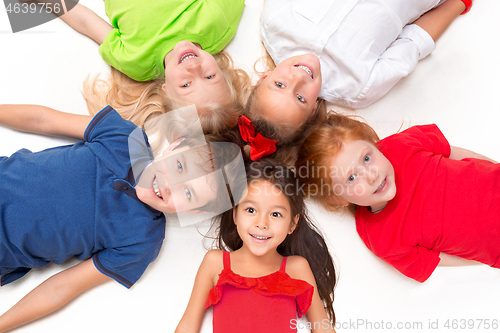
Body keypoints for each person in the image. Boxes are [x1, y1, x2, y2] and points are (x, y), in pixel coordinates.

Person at [0, 103, 244, 332]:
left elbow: (62, 287)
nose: (171, 185)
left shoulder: (142, 241)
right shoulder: (125, 137)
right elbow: (43, 119)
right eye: (180, 166)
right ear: (174, 146)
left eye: (188, 193)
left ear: (193, 211)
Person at [296, 112, 499, 283]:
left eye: (367, 158)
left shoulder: (402, 145)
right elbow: (437, 259)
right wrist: (486, 257)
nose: (372, 175)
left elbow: (453, 152)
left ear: (375, 144)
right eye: (351, 177)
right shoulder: (380, 237)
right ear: (339, 198)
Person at [245, 0, 472, 149]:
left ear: (264, 77)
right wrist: (458, 4)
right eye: (301, 98)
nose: (299, 79)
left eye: (280, 84)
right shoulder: (357, 87)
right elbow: (414, 42)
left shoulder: (274, 23)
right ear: (313, 110)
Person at [28, 0, 251, 134]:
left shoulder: (135, 62)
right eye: (210, 76)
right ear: (223, 73)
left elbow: (85, 21)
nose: (193, 67)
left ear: (166, 91)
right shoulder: (217, 25)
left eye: (186, 84)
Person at [175, 159, 337, 333]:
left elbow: (323, 328)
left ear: (293, 223)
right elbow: (187, 326)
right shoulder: (216, 263)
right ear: (235, 213)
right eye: (251, 210)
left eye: (275, 214)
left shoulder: (296, 267)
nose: (262, 223)